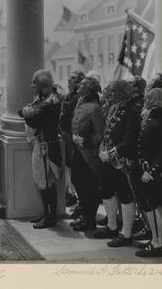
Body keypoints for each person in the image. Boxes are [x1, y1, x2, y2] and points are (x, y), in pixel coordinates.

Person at [94, 80, 140, 247]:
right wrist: (102, 148)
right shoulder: (113, 107)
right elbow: (108, 132)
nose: (109, 93)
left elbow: (129, 141)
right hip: (107, 158)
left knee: (125, 196)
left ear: (122, 92)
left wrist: (111, 153)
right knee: (106, 191)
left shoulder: (132, 110)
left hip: (122, 161)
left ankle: (126, 234)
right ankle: (112, 226)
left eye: (113, 91)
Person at [19, 69, 64, 229]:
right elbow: (24, 113)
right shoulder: (43, 98)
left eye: (36, 84)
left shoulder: (52, 100)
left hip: (47, 145)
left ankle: (51, 217)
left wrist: (27, 111)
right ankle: (47, 212)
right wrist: (28, 111)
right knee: (42, 180)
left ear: (42, 84)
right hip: (41, 142)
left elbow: (31, 117)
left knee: (46, 181)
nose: (33, 87)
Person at [135, 88, 162, 258]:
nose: (145, 98)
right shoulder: (155, 115)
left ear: (157, 100)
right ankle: (155, 239)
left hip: (155, 172)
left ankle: (157, 244)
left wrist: (152, 171)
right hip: (148, 168)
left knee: (155, 205)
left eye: (149, 97)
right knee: (152, 204)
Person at [70, 76, 104, 232]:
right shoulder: (81, 102)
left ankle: (89, 220)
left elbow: (99, 134)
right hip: (78, 152)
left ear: (89, 89)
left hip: (89, 155)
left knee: (89, 187)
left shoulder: (95, 107)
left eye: (82, 84)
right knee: (77, 181)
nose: (79, 85)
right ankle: (84, 215)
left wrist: (85, 141)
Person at [59, 69, 85, 209]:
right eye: (69, 78)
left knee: (76, 171)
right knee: (69, 168)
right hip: (65, 136)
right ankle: (72, 196)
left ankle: (80, 201)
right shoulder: (69, 95)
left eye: (73, 78)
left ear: (80, 82)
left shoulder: (79, 98)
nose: (69, 80)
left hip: (73, 137)